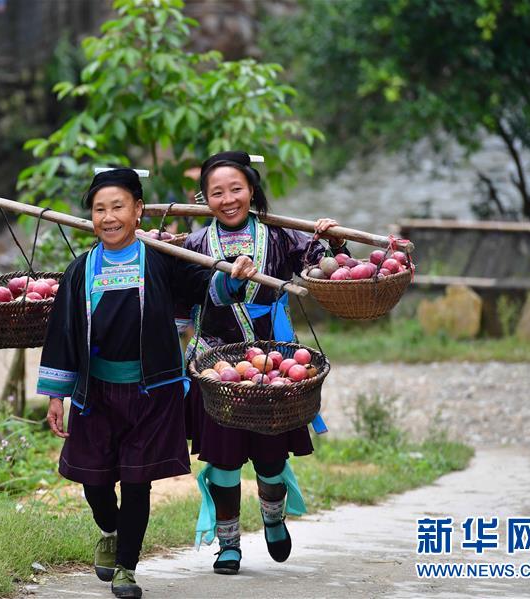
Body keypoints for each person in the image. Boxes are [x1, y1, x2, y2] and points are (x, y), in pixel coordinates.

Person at [37, 167, 258, 598]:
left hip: (151, 392)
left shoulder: (159, 259)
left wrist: (233, 275)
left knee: (137, 481)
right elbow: (63, 332)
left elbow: (205, 285)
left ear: (138, 210)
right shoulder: (81, 270)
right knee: (96, 482)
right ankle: (111, 530)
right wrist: (56, 396)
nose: (109, 217)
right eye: (100, 209)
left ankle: (126, 568)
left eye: (118, 206)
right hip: (95, 394)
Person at [182, 151, 349, 575]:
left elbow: (319, 267)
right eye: (216, 192)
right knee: (222, 460)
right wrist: (224, 279)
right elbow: (192, 290)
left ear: (251, 190)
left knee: (271, 457)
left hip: (273, 366)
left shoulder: (280, 237)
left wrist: (331, 242)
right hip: (217, 369)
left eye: (236, 188)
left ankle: (273, 518)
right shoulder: (196, 244)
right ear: (204, 198)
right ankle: (229, 544)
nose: (228, 199)